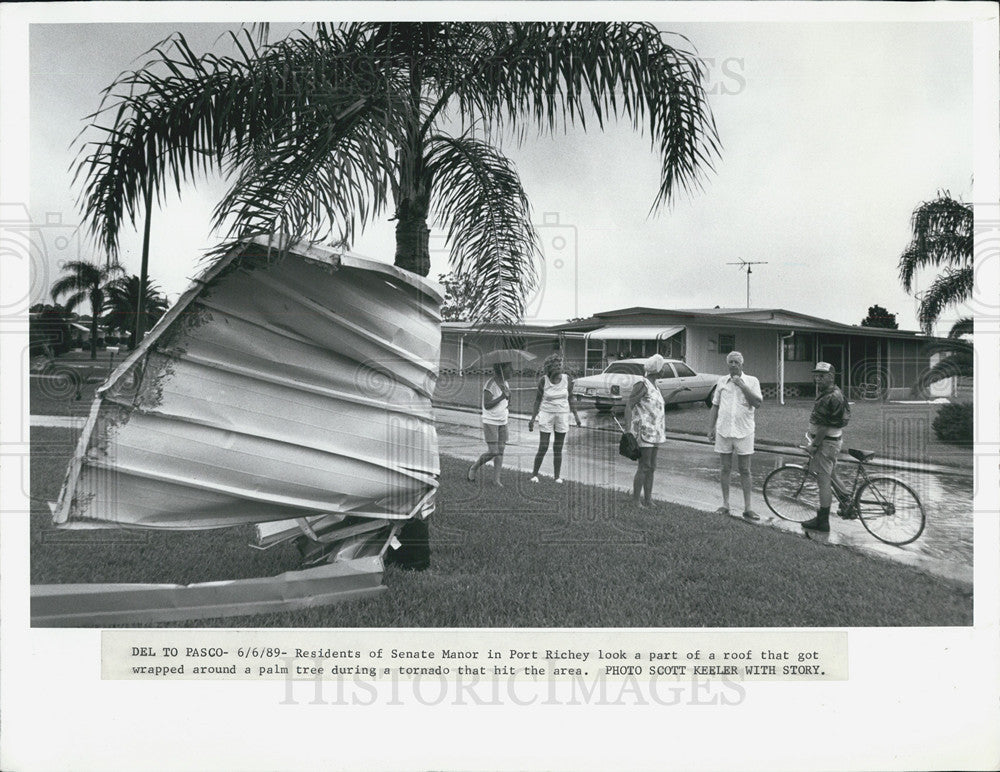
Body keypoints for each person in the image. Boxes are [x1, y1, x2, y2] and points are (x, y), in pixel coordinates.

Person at [625, 353, 690, 507]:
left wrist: (676, 391)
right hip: (644, 430)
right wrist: (628, 430)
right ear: (657, 370)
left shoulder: (655, 386)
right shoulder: (642, 384)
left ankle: (648, 499)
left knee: (652, 467)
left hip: (656, 431)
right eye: (662, 368)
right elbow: (629, 404)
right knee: (644, 465)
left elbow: (661, 403)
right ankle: (636, 500)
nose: (663, 371)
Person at [707, 351, 763, 520]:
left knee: (745, 469)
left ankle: (748, 507)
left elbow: (757, 403)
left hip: (744, 431)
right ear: (727, 364)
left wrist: (742, 385)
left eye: (736, 362)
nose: (733, 365)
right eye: (730, 362)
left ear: (741, 365)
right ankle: (725, 504)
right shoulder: (722, 381)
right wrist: (711, 428)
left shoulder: (752, 381)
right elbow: (715, 406)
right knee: (725, 468)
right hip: (724, 430)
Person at [801, 361, 851, 533]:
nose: (817, 379)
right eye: (816, 375)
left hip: (826, 443)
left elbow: (823, 426)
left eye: (821, 376)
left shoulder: (830, 396)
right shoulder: (833, 393)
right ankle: (846, 500)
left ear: (831, 377)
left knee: (823, 481)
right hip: (833, 441)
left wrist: (814, 445)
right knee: (831, 474)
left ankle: (823, 521)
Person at [528, 353, 581, 483]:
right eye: (556, 365)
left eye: (560, 365)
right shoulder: (543, 381)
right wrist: (532, 418)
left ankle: (557, 476)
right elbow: (537, 401)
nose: (559, 367)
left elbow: (570, 398)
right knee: (544, 446)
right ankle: (534, 474)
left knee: (558, 447)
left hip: (562, 414)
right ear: (550, 367)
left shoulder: (567, 379)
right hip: (546, 414)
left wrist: (576, 416)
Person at [468, 361, 512, 486]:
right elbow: (487, 405)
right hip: (490, 421)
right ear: (501, 370)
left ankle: (496, 480)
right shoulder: (490, 385)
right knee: (493, 451)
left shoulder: (505, 383)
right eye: (510, 368)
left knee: (501, 450)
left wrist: (509, 396)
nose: (513, 371)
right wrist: (502, 397)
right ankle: (474, 468)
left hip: (503, 421)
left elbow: (507, 403)